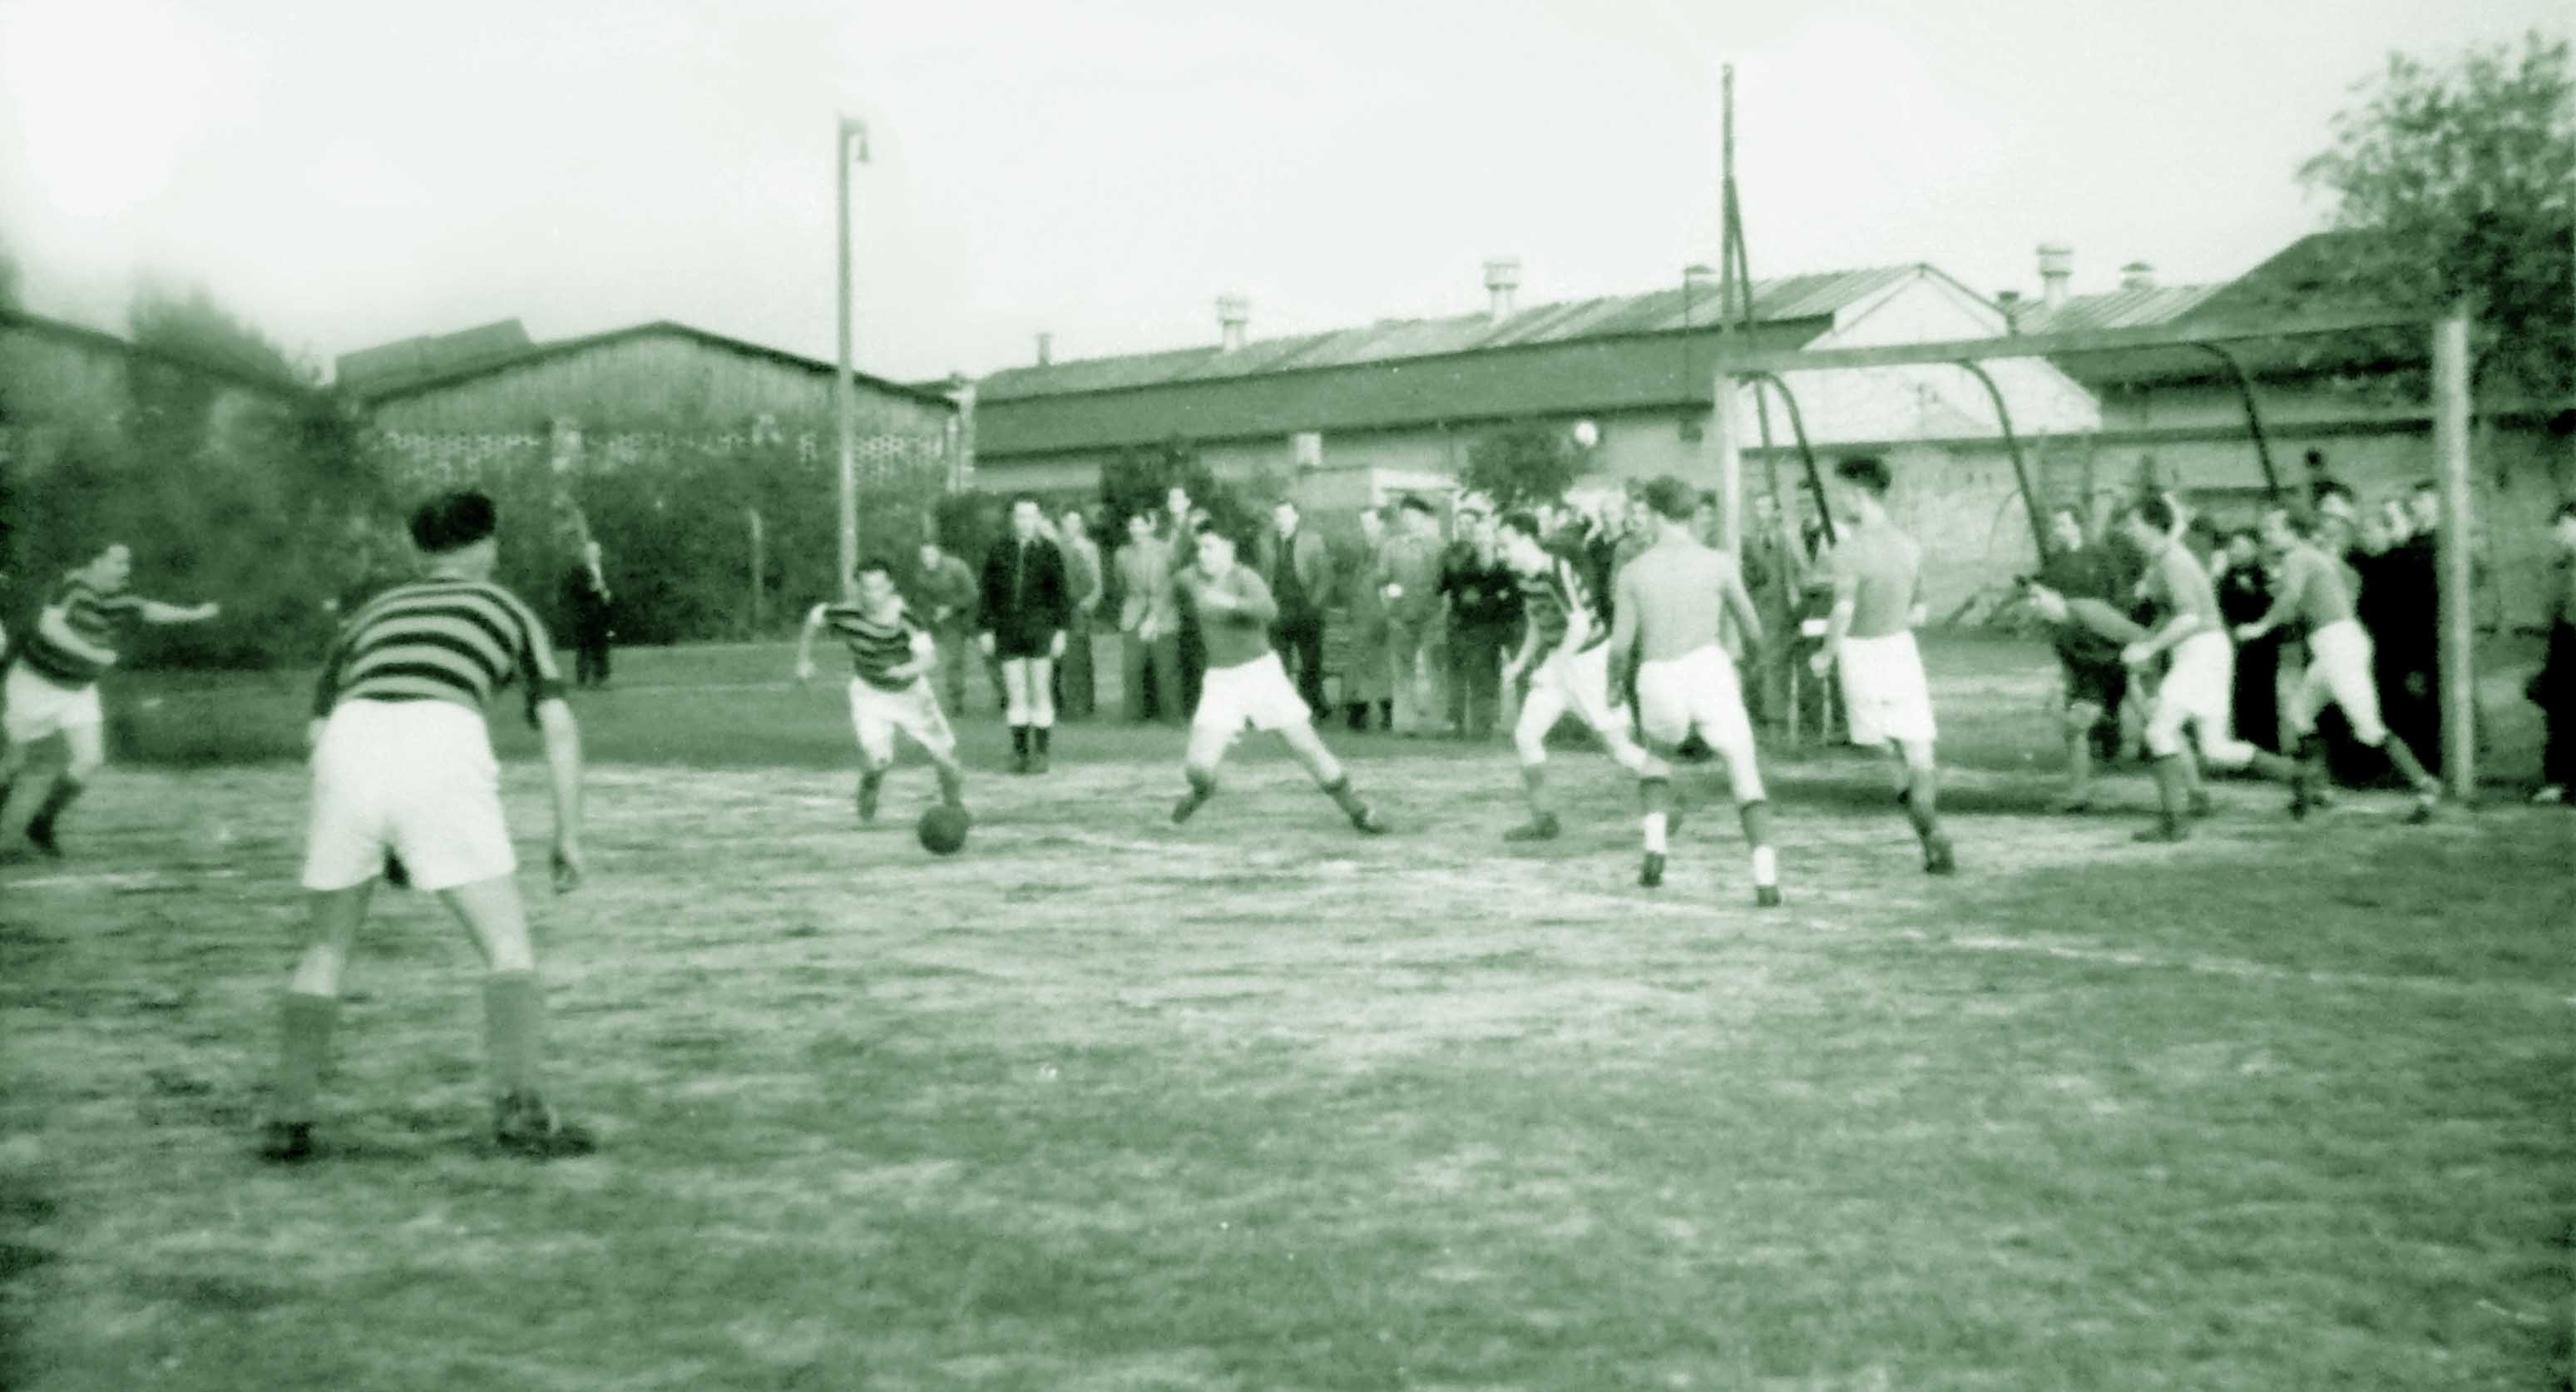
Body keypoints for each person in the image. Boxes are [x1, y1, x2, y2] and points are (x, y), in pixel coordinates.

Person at [261, 489, 591, 1162]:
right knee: (507, 946)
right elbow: (558, 726)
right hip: (441, 738)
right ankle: (523, 1114)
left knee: (325, 947)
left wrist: (380, 824)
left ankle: (287, 1116)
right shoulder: (505, 607)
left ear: (419, 551)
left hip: (348, 743)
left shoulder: (371, 612)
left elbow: (317, 731)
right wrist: (568, 833)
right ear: (487, 544)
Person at [1608, 478, 1782, 903]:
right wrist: (1756, 666)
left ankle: (1655, 848)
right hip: (1707, 667)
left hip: (1658, 670)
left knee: (1657, 756)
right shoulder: (1718, 563)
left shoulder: (1634, 571)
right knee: (1742, 767)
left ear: (1655, 515)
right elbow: (1752, 629)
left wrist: (1613, 686)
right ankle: (1765, 878)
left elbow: (1620, 646)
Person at [0, 543, 220, 864]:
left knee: (90, 759)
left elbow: (151, 610)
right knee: (13, 763)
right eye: (118, 562)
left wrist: (195, 614)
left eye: (127, 563)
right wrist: (94, 654)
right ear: (95, 562)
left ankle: (41, 825)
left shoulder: (121, 597)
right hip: (34, 684)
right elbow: (50, 626)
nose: (125, 570)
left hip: (78, 689)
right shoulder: (73, 587)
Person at [1168, 523, 1388, 836]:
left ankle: (1358, 810)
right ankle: (1203, 792)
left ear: (1229, 548)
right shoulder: (1189, 578)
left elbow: (1269, 611)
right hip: (1221, 681)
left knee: (1306, 747)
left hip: (1261, 675)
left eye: (1209, 547)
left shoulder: (1245, 577)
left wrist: (1230, 603)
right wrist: (1155, 615)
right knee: (1198, 768)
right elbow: (1170, 589)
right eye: (1199, 548)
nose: (1202, 554)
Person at [2232, 503, 2445, 823]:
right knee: (2300, 716)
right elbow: (2348, 580)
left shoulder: (2297, 556)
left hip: (2337, 647)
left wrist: (2259, 627)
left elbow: (2290, 600)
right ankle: (2319, 788)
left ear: (2293, 532)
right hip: (2335, 644)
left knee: (2368, 728)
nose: (2266, 536)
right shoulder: (2311, 556)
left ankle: (2425, 785)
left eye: (2272, 529)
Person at [2114, 498, 2311, 841]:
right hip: (2205, 651)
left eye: (2133, 524)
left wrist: (2150, 648)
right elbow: (2171, 616)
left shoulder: (2173, 561)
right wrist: (2146, 641)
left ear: (2153, 526)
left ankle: (2175, 822)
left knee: (2159, 732)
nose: (2128, 531)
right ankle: (2298, 775)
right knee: (2215, 749)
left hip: (2201, 652)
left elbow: (2190, 618)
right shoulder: (2163, 559)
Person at [1808, 456, 1955, 874]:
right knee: (1919, 748)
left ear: (1858, 494)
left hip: (1861, 653)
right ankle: (1928, 813)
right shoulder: (1909, 546)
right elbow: (1920, 610)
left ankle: (1926, 825)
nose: (1840, 500)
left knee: (1878, 744)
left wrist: (1824, 655)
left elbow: (1843, 611)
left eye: (1842, 492)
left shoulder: (1848, 551)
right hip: (1901, 649)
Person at [1493, 511, 1653, 842]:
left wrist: (1552, 668)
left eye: (1505, 545)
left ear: (1527, 540)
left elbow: (1579, 626)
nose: (1501, 553)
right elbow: (1537, 619)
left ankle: (1667, 801)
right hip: (1562, 659)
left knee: (1619, 748)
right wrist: (1521, 662)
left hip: (1589, 660)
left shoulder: (1556, 569)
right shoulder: (1523, 574)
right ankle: (1544, 819)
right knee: (1526, 735)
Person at [797, 558, 967, 825]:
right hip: (870, 694)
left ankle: (954, 809)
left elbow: (928, 659)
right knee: (878, 761)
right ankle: (870, 787)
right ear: (858, 589)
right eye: (866, 588)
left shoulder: (906, 618)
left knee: (947, 760)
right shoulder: (846, 614)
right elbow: (816, 617)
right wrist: (803, 660)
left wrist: (905, 670)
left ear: (890, 586)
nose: (872, 595)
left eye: (878, 587)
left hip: (912, 696)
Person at [2027, 506, 2135, 810]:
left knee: (2158, 723)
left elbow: (2121, 603)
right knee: (2075, 724)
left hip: (2115, 653)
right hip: (2085, 658)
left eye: (2062, 523)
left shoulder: (2101, 559)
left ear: (2078, 525)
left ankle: (2193, 791)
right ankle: (2078, 793)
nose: (2057, 530)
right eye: (2055, 525)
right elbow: (2048, 609)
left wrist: (2129, 645)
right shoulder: (2056, 564)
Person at [977, 496, 1070, 774]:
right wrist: (985, 629)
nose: (1025, 522)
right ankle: (1019, 752)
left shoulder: (1050, 551)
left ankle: (1041, 752)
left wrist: (1061, 631)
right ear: (1012, 518)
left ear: (1038, 518)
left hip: (1040, 629)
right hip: (1008, 629)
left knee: (1040, 690)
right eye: (1020, 516)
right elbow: (987, 594)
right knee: (1016, 692)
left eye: (1030, 516)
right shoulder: (999, 550)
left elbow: (1061, 596)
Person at [1437, 504, 1519, 741]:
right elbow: (1467, 600)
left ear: (1494, 537)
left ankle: (1491, 722)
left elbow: (1513, 596)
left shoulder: (1506, 564)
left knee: (1495, 676)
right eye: (1478, 536)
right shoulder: (1465, 567)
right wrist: (1496, 597)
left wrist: (1492, 599)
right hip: (1476, 628)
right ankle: (1479, 727)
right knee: (1479, 675)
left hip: (1504, 625)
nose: (1482, 540)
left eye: (1486, 534)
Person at [1253, 498, 1333, 715]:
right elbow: (1262, 576)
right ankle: (1282, 706)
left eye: (1286, 515)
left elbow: (1325, 576)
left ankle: (1313, 705)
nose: (1282, 520)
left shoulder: (1312, 540)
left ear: (1296, 517)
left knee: (1311, 663)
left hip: (1306, 608)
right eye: (1278, 516)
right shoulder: (1266, 542)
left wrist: (1314, 605)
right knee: (1278, 663)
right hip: (1278, 609)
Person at [1376, 495, 1447, 736]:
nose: (1410, 520)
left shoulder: (1438, 546)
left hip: (1432, 617)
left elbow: (1447, 582)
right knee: (1402, 671)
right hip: (1401, 617)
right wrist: (1390, 609)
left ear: (1423, 518)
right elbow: (1383, 582)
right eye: (1406, 516)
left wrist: (1441, 612)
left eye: (1415, 516)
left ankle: (1438, 723)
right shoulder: (1390, 547)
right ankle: (1404, 723)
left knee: (1436, 669)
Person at [2213, 528, 2284, 756]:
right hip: (2234, 646)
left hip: (2262, 647)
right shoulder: (2224, 577)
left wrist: (2252, 592)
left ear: (2254, 550)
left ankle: (2267, 748)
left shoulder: (2264, 576)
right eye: (2232, 547)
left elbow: (2272, 606)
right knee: (2238, 697)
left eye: (2241, 547)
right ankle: (2243, 748)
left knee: (2263, 696)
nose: (2235, 552)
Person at [1115, 512, 1183, 724]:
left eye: (1140, 525)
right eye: (1132, 526)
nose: (1136, 530)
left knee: (1166, 668)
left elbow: (1175, 582)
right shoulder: (1122, 554)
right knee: (1132, 668)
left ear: (1150, 526)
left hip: (1164, 612)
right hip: (1133, 612)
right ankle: (1133, 716)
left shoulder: (1166, 550)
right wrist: (1135, 606)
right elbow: (1120, 584)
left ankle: (1172, 715)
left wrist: (1157, 614)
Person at [2529, 500, 2576, 804]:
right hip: (2564, 640)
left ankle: (2563, 780)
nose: (2556, 535)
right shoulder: (2562, 566)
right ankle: (2560, 780)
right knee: (2560, 713)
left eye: (2562, 527)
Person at [1339, 508, 1394, 731]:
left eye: (1370, 523)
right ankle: (1358, 711)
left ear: (1381, 524)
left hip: (1382, 614)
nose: (1366, 528)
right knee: (1357, 664)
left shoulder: (1389, 549)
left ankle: (1388, 711)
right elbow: (1352, 582)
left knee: (1383, 664)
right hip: (1361, 615)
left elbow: (1396, 584)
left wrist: (1389, 608)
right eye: (1363, 524)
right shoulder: (1360, 551)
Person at [911, 540, 980, 716]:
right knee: (953, 659)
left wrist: (951, 607)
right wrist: (932, 613)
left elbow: (973, 594)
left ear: (939, 553)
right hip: (950, 622)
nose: (928, 559)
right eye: (924, 555)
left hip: (973, 616)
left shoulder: (957, 567)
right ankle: (956, 701)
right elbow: (923, 600)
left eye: (931, 554)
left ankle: (1005, 694)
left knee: (990, 655)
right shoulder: (921, 575)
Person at [1159, 486, 1207, 716]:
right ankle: (1184, 704)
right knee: (1177, 651)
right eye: (1171, 498)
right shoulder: (1164, 529)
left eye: (1178, 498)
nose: (1174, 502)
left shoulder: (1197, 523)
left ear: (1187, 502)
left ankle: (1201, 704)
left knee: (1197, 651)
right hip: (1169, 595)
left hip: (1193, 595)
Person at [1054, 508, 1105, 721]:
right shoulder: (1056, 545)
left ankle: (1085, 703)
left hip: (1081, 605)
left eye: (1076, 521)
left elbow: (1097, 580)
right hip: (1061, 607)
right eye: (1068, 521)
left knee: (1081, 656)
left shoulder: (1089, 547)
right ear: (1062, 522)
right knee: (1061, 657)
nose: (1072, 525)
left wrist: (1088, 605)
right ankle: (1063, 703)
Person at [559, 538, 615, 689]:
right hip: (584, 616)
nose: (594, 554)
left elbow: (611, 589)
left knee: (601, 647)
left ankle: (600, 679)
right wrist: (591, 589)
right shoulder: (578, 571)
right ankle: (582, 679)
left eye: (596, 551)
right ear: (585, 554)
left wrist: (608, 596)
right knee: (584, 648)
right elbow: (572, 591)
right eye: (591, 552)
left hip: (602, 615)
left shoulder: (604, 570)